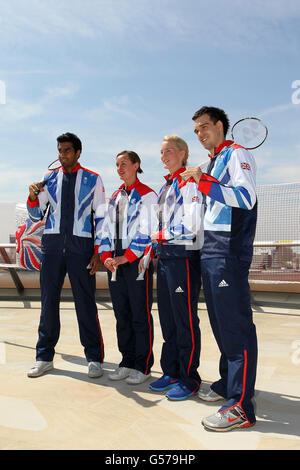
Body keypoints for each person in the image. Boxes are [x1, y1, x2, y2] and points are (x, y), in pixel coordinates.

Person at [182, 106, 258, 431]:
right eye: (196, 130)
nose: (200, 134)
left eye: (204, 127)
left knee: (236, 326)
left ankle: (241, 405)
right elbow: (202, 213)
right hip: (210, 251)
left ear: (220, 126)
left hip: (229, 251)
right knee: (220, 324)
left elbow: (246, 197)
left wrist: (205, 181)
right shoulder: (211, 162)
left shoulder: (237, 154)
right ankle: (229, 385)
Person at [27, 132, 106, 379]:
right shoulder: (48, 179)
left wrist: (98, 252)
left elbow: (101, 217)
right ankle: (44, 357)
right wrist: (32, 197)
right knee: (48, 302)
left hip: (81, 249)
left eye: (67, 151)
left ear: (78, 152)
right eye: (60, 151)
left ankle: (93, 358)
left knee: (86, 303)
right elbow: (35, 215)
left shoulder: (93, 179)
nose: (62, 155)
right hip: (51, 248)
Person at [140, 135, 203, 400]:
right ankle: (172, 371)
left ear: (182, 153)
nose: (163, 156)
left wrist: (161, 235)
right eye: (161, 152)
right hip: (164, 259)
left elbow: (193, 223)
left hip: (183, 259)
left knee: (185, 320)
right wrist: (153, 246)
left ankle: (190, 379)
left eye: (169, 151)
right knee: (168, 319)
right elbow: (158, 223)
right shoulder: (167, 186)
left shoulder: (190, 181)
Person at [99, 151, 157, 385]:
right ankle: (126, 361)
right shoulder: (115, 196)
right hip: (116, 264)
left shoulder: (148, 195)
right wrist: (106, 257)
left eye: (124, 164)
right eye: (117, 165)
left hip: (137, 264)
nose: (120, 168)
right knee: (121, 315)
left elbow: (148, 230)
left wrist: (129, 256)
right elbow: (104, 229)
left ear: (136, 165)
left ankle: (143, 366)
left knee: (140, 315)